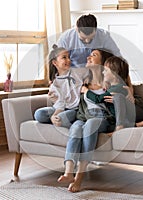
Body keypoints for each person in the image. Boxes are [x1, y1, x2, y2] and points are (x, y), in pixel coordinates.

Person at [57, 48, 115, 193]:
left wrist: (124, 97)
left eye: (94, 55)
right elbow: (65, 90)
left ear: (102, 63)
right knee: (76, 128)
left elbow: (125, 89)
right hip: (83, 116)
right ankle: (68, 172)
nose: (89, 57)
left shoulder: (109, 82)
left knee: (90, 124)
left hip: (101, 117)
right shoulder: (83, 81)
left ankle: (79, 177)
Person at [84, 56, 143, 134]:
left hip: (137, 113)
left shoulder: (118, 87)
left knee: (118, 97)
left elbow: (97, 99)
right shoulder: (112, 87)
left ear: (114, 73)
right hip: (127, 116)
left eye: (105, 70)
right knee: (110, 123)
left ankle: (119, 127)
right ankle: (141, 123)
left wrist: (86, 91)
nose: (103, 72)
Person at [34, 45, 89, 128]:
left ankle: (63, 120)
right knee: (39, 114)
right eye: (64, 57)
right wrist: (54, 116)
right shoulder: (55, 83)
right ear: (55, 62)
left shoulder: (77, 73)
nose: (69, 60)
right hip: (59, 108)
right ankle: (58, 120)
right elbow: (60, 103)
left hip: (74, 109)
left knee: (61, 118)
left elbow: (91, 73)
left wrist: (87, 80)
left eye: (68, 57)